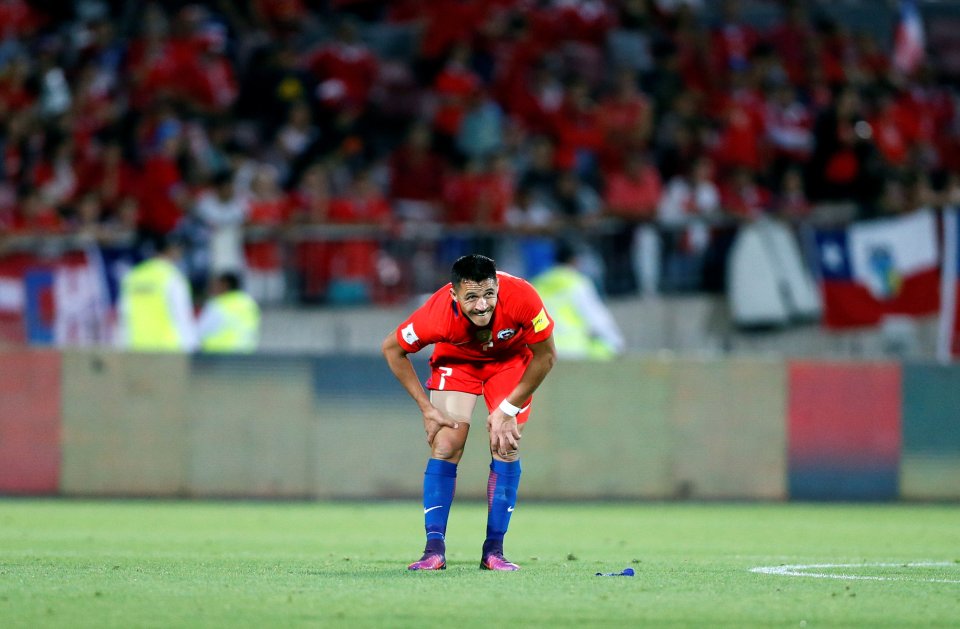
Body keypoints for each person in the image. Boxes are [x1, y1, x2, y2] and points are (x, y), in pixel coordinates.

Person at [381, 254, 557, 572]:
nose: (481, 306)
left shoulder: (523, 297)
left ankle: (494, 551)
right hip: (457, 361)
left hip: (510, 362)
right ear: (454, 294)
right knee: (447, 443)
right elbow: (392, 349)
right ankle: (433, 549)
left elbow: (545, 357)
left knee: (506, 445)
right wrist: (426, 407)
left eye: (489, 294)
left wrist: (508, 408)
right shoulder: (436, 315)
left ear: (498, 287)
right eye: (471, 297)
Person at [532, 242, 625, 360]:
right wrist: (617, 343)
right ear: (574, 260)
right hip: (573, 349)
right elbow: (596, 318)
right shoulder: (576, 282)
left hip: (540, 351)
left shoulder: (537, 283)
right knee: (604, 349)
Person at [117, 234, 197, 352]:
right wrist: (191, 348)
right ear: (172, 250)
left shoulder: (133, 276)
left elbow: (123, 314)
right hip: (168, 350)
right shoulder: (172, 277)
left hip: (137, 349)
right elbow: (182, 316)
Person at [197, 271, 261, 353]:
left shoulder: (218, 305)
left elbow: (200, 331)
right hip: (246, 355)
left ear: (225, 285)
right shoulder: (249, 303)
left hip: (220, 356)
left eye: (216, 285)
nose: (211, 288)